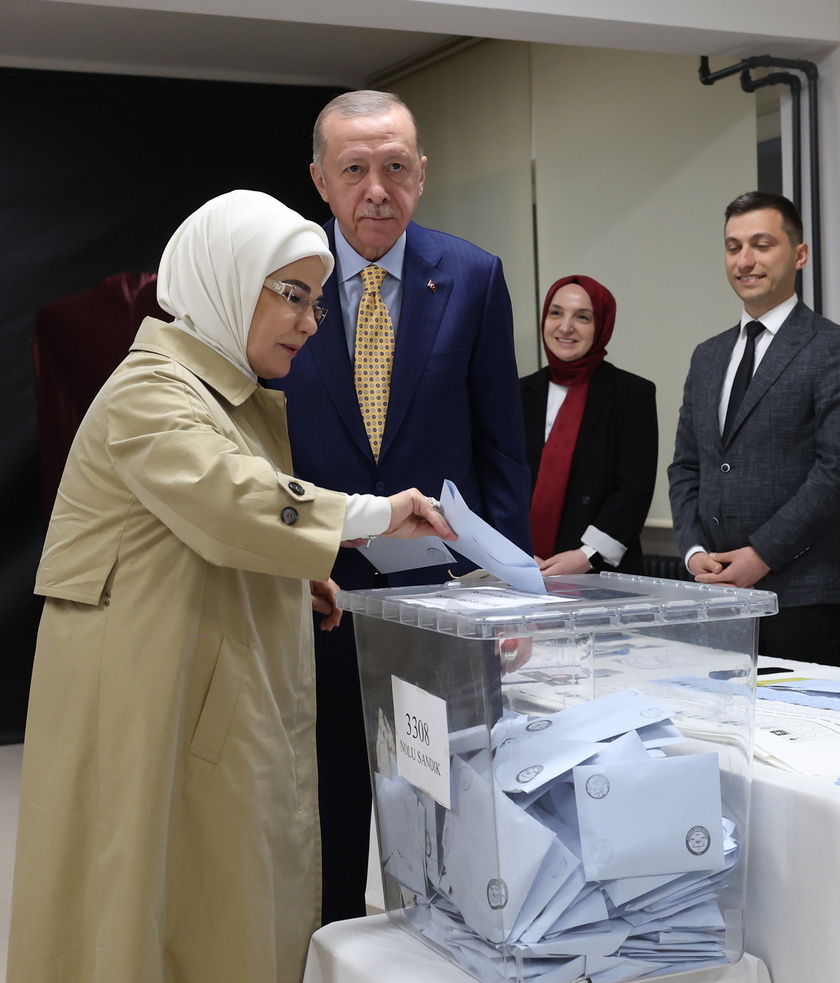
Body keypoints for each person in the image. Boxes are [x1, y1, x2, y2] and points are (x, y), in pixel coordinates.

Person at [6, 189, 456, 983]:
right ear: (224, 279)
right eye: (290, 295)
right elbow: (228, 498)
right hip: (144, 692)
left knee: (210, 881)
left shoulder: (228, 397)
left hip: (191, 678)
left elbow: (214, 528)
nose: (309, 322)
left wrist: (293, 576)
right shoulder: (154, 387)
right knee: (144, 884)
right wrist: (374, 514)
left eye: (315, 302)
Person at [265, 89, 532, 922]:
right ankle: (333, 948)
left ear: (422, 173)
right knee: (330, 805)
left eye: (395, 167)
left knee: (450, 806)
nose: (376, 188)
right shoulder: (281, 285)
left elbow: (500, 448)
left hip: (445, 604)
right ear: (320, 179)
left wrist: (512, 586)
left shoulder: (475, 277)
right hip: (321, 600)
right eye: (354, 169)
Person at [669, 190, 840, 663]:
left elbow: (834, 471)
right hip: (715, 594)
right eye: (733, 247)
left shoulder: (829, 347)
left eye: (762, 244)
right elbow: (687, 465)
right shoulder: (707, 356)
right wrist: (692, 549)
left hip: (803, 599)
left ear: (799, 254)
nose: (744, 260)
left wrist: (761, 554)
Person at [520, 275, 657, 577]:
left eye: (582, 317)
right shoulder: (516, 394)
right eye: (556, 313)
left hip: (599, 574)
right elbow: (498, 481)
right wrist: (513, 548)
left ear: (602, 326)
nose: (565, 326)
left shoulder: (632, 394)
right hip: (522, 567)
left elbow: (634, 489)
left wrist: (586, 556)